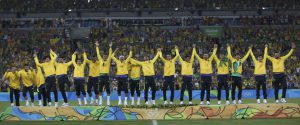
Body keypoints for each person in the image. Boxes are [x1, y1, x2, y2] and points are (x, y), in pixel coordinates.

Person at [96, 41, 113, 106]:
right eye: (104, 56)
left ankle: (108, 101)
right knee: (100, 89)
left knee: (108, 89)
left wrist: (110, 47)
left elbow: (110, 54)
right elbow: (98, 54)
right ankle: (100, 101)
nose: (105, 57)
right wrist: (97, 46)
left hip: (106, 76)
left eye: (106, 56)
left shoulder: (108, 61)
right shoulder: (100, 60)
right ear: (102, 57)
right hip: (101, 76)